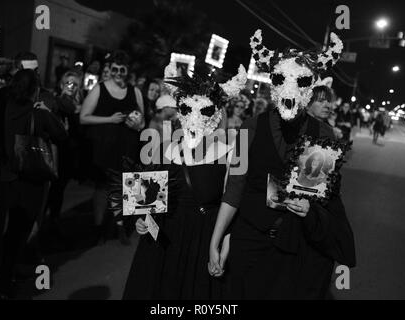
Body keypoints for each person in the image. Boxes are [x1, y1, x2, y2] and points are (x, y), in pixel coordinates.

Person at [209, 29, 355, 299]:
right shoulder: (249, 126)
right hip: (250, 237)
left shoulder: (322, 133)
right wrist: (216, 240)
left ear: (309, 88)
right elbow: (234, 187)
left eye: (300, 82)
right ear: (272, 83)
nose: (289, 92)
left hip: (294, 244)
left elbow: (322, 194)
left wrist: (309, 206)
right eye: (280, 79)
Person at [121, 63, 247, 299]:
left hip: (203, 241)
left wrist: (220, 249)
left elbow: (232, 206)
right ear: (180, 110)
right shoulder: (163, 146)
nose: (195, 118)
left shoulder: (230, 151)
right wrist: (142, 220)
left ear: (217, 113)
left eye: (205, 111)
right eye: (187, 109)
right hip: (164, 241)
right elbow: (146, 201)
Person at [0, 69, 67, 298]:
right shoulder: (38, 113)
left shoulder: (5, 108)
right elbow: (62, 136)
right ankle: (4, 281)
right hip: (30, 178)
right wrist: (47, 111)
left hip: (8, 174)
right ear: (35, 90)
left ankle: (7, 273)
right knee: (20, 230)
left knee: (11, 229)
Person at [80, 50, 145, 244]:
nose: (117, 73)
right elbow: (83, 117)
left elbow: (142, 121)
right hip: (104, 147)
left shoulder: (135, 91)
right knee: (102, 187)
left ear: (127, 71)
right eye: (114, 69)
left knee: (127, 186)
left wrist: (138, 125)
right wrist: (109, 119)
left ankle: (122, 227)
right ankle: (99, 227)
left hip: (128, 147)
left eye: (122, 70)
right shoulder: (100, 88)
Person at [45, 71, 84, 236]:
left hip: (69, 153)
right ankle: (41, 223)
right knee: (50, 190)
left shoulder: (81, 106)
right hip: (55, 151)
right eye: (68, 83)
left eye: (75, 84)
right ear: (62, 84)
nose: (71, 86)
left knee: (59, 190)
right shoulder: (56, 101)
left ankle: (53, 221)